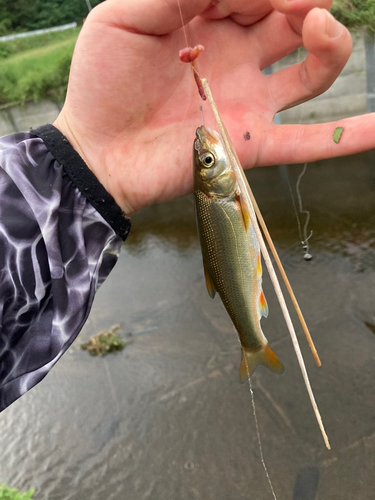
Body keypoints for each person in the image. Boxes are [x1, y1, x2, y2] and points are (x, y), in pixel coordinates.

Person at [0, 0, 373, 412]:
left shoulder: (217, 193)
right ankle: (254, 340)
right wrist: (82, 157)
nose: (206, 154)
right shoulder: (220, 192)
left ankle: (252, 339)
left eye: (206, 162)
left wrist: (81, 162)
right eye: (208, 161)